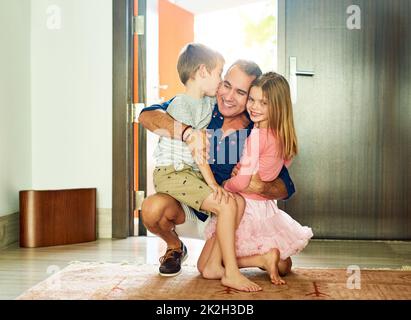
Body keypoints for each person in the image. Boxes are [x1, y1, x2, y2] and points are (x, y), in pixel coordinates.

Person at [139, 59, 296, 287]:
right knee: (152, 210)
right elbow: (147, 115)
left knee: (284, 265)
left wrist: (259, 185)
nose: (229, 96)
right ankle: (175, 246)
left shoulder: (256, 128)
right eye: (227, 85)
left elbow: (286, 186)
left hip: (227, 206)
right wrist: (186, 133)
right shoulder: (203, 105)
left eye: (241, 93)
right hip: (191, 196)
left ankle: (247, 259)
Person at [151, 43, 260, 292]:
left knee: (234, 202)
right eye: (221, 76)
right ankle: (230, 272)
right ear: (202, 72)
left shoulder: (206, 104)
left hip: (187, 175)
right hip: (175, 174)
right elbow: (196, 152)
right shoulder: (182, 105)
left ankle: (214, 266)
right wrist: (212, 184)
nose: (224, 89)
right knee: (225, 203)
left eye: (241, 92)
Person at [202, 72, 313, 285]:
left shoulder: (256, 135)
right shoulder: (282, 135)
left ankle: (261, 258)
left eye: (264, 102)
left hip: (244, 207)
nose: (254, 106)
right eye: (252, 100)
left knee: (205, 266)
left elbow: (243, 182)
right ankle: (267, 259)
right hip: (265, 208)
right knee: (283, 265)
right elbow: (278, 165)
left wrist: (226, 184)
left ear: (278, 107)